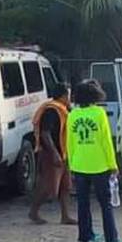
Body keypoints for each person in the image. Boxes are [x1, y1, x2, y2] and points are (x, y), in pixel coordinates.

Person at [67, 79, 122, 242]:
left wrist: (71, 164)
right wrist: (113, 164)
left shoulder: (72, 115)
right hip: (99, 165)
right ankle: (111, 241)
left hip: (79, 164)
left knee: (83, 203)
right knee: (105, 204)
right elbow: (106, 142)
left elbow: (70, 142)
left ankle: (86, 236)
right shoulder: (99, 113)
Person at [28, 83, 77, 225]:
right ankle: (33, 210)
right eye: (68, 95)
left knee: (66, 186)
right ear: (63, 96)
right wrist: (54, 153)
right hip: (51, 154)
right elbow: (45, 133)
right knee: (50, 189)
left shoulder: (63, 109)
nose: (70, 98)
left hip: (63, 152)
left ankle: (65, 216)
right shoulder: (52, 111)